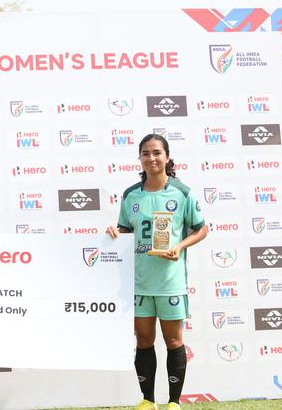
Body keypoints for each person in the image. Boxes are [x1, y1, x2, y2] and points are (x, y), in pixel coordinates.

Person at [106, 134, 207, 410]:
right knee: (144, 340)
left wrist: (180, 246)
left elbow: (201, 229)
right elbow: (126, 229)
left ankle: (174, 402)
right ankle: (147, 400)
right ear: (139, 158)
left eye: (157, 153)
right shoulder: (130, 195)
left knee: (173, 340)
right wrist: (116, 231)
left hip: (170, 282)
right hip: (139, 282)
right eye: (146, 153)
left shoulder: (182, 192)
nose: (151, 158)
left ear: (167, 157)